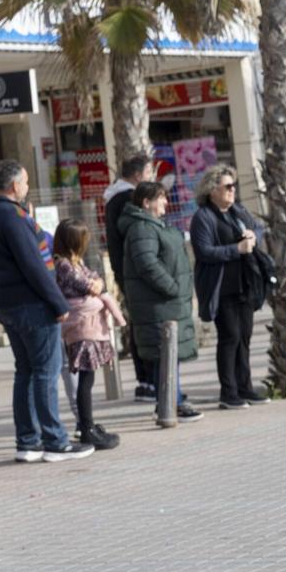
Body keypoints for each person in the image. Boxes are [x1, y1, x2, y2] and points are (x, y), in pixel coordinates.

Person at [0, 161, 94, 463]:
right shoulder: (13, 218)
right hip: (30, 304)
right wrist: (58, 303)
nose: (27, 186)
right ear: (14, 186)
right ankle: (55, 441)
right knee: (45, 371)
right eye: (25, 181)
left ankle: (28, 441)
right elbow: (34, 265)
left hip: (6, 301)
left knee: (26, 371)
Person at [120, 181, 203, 423]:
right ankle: (170, 403)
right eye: (161, 198)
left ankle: (172, 400)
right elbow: (147, 263)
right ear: (146, 203)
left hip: (166, 303)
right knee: (164, 354)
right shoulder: (142, 229)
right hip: (158, 304)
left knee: (168, 355)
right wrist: (172, 287)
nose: (166, 202)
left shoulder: (153, 226)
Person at [191, 165, 270, 410]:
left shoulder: (237, 210)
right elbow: (204, 252)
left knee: (244, 336)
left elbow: (257, 226)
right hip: (221, 287)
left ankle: (245, 387)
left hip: (244, 283)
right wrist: (235, 250)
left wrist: (253, 236)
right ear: (212, 190)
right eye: (227, 186)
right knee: (230, 336)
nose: (232, 190)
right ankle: (229, 392)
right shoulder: (203, 217)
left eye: (233, 186)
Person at [53, 219, 122, 450]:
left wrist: (99, 282)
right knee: (85, 377)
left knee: (88, 377)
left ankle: (87, 425)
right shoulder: (63, 265)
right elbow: (88, 285)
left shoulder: (76, 262)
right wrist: (98, 286)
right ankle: (86, 427)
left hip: (89, 325)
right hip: (81, 326)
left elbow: (95, 278)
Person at [103, 154, 157, 402]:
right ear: (137, 175)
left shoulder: (116, 199)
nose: (151, 178)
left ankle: (147, 380)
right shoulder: (127, 200)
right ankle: (147, 380)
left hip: (127, 272)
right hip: (134, 273)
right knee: (143, 326)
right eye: (149, 173)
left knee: (140, 324)